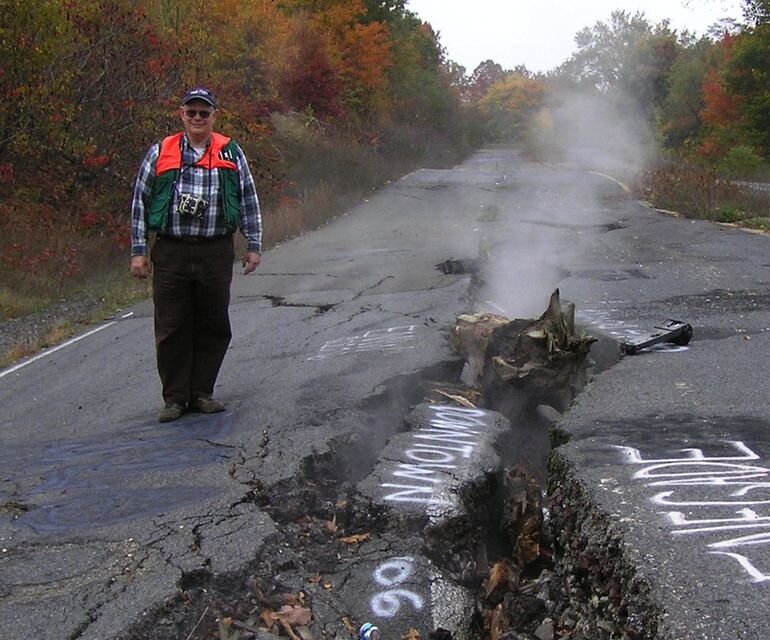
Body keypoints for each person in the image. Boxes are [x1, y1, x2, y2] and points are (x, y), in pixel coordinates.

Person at [129, 87, 262, 423]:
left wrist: (254, 245)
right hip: (171, 250)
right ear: (182, 115)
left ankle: (202, 392)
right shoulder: (162, 151)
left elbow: (248, 198)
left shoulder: (230, 152)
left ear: (214, 116)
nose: (198, 118)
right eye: (192, 113)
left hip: (216, 250)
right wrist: (139, 251)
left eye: (205, 113)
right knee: (172, 326)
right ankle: (174, 399)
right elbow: (140, 202)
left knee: (213, 323)